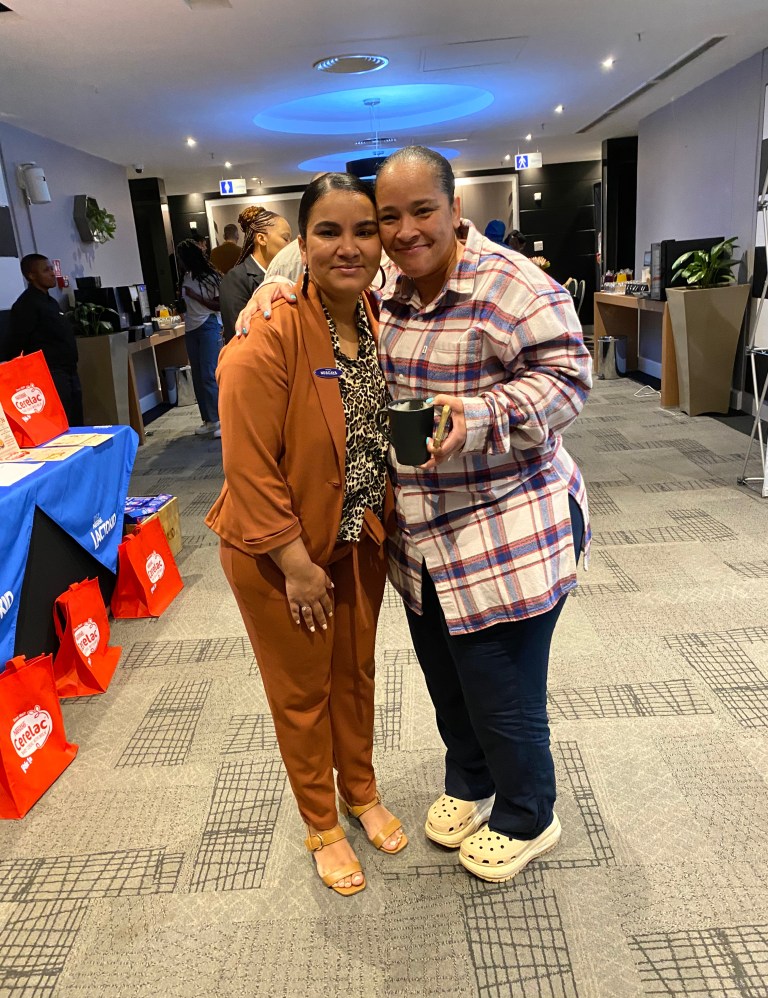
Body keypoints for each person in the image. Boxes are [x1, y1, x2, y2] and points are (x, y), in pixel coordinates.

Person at [238, 146, 591, 884]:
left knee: (497, 686)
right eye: (387, 218)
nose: (400, 233)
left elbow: (568, 381)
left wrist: (481, 414)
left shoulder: (512, 284)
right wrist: (265, 291)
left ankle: (528, 812)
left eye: (419, 212)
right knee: (438, 681)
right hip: (399, 541)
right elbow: (250, 458)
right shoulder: (375, 293)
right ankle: (452, 784)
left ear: (455, 209)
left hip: (503, 529)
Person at [205, 173, 407, 897]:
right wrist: (294, 564)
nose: (349, 247)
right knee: (302, 693)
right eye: (329, 231)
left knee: (355, 675)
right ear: (302, 243)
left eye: (364, 230)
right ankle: (321, 821)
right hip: (280, 554)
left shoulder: (376, 316)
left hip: (356, 535)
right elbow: (247, 465)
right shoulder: (269, 329)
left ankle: (360, 789)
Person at [4, 254, 83, 425]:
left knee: (76, 418)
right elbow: (15, 342)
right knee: (62, 422)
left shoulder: (51, 302)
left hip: (69, 370)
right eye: (46, 270)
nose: (52, 273)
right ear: (32, 275)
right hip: (50, 374)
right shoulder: (26, 305)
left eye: (52, 269)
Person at [219, 206, 291, 343]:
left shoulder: (284, 276)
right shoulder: (235, 279)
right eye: (285, 238)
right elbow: (238, 335)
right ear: (261, 239)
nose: (290, 245)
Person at [176, 238, 222, 437]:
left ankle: (219, 419)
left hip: (208, 325)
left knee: (209, 374)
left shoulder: (210, 277)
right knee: (197, 375)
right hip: (191, 328)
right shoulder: (186, 277)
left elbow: (219, 304)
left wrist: (196, 297)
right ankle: (209, 419)